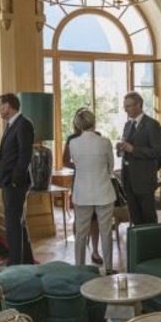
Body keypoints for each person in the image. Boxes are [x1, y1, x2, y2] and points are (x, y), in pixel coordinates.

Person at [68, 109, 115, 273]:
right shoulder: (105, 142)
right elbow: (111, 167)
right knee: (106, 232)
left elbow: (76, 164)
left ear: (78, 125)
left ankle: (79, 268)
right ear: (94, 122)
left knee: (81, 234)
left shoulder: (73, 143)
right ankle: (108, 268)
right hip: (104, 191)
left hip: (82, 193)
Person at [0, 93, 35, 265]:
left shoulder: (23, 124)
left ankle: (15, 263)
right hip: (8, 179)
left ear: (8, 106)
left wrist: (14, 180)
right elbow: (12, 152)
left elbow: (25, 155)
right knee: (17, 221)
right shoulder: (12, 124)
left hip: (15, 182)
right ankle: (26, 260)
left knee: (12, 223)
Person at [62, 109, 103, 265]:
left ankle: (95, 251)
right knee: (79, 217)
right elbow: (65, 161)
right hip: (79, 180)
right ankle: (79, 251)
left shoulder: (98, 136)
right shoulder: (72, 138)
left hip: (96, 180)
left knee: (95, 218)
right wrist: (79, 166)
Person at [117, 92, 161, 225]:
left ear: (138, 105)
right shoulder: (127, 125)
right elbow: (127, 148)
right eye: (125, 106)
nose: (125, 110)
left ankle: (150, 239)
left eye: (128, 106)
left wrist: (133, 149)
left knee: (148, 216)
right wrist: (121, 149)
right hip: (128, 179)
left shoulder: (151, 124)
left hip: (144, 179)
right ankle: (137, 238)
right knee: (135, 216)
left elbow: (158, 151)